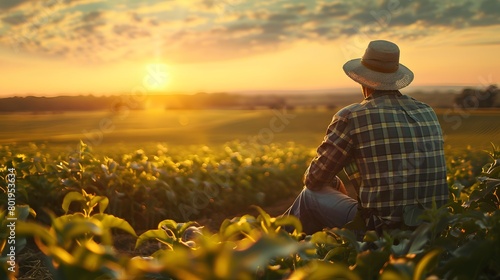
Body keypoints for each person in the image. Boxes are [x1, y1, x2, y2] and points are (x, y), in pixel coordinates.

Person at [284, 40, 449, 235]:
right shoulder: (427, 111)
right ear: (396, 78)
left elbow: (314, 180)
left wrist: (332, 181)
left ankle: (273, 252)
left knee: (310, 196)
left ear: (362, 80)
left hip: (381, 229)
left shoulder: (351, 116)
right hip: (432, 228)